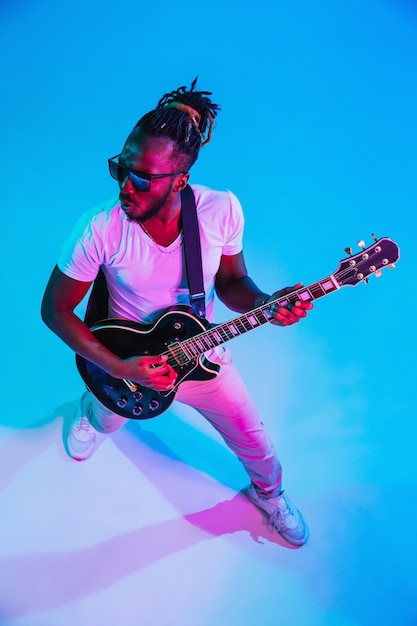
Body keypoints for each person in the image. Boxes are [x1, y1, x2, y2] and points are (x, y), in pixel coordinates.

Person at [41, 78, 313, 547]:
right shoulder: (100, 226)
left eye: (142, 178)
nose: (127, 187)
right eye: (120, 170)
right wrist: (119, 366)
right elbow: (55, 309)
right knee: (108, 415)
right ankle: (94, 406)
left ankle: (269, 495)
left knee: (255, 441)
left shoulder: (221, 210)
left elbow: (231, 284)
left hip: (199, 350)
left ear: (180, 180)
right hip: (124, 358)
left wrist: (267, 304)